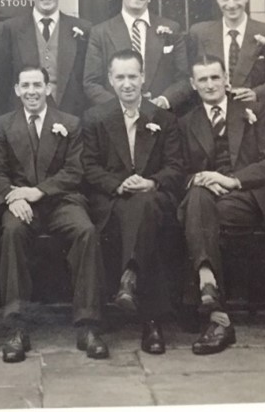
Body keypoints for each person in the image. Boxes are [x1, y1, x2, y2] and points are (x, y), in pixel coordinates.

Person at [0, 65, 107, 363]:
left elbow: (74, 171)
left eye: (37, 85)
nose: (31, 91)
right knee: (12, 232)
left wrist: (39, 191)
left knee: (86, 231)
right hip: (20, 203)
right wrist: (10, 197)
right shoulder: (3, 125)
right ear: (16, 89)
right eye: (25, 85)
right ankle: (16, 326)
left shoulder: (69, 123)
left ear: (47, 88)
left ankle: (88, 325)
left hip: (60, 201)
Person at [80, 50, 184, 355]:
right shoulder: (96, 118)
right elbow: (89, 166)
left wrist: (152, 182)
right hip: (112, 201)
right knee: (143, 213)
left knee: (146, 206)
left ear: (143, 77)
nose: (127, 84)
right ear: (111, 80)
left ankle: (129, 280)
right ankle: (151, 321)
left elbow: (176, 166)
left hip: (152, 199)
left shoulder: (163, 118)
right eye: (120, 77)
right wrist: (118, 183)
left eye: (132, 76)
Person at [178, 55, 265, 355]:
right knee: (199, 200)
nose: (210, 85)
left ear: (226, 79)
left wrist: (232, 181)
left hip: (245, 197)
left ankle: (202, 285)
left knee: (198, 217)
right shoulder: (187, 122)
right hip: (206, 199)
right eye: (203, 80)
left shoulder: (252, 111)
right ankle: (216, 311)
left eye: (215, 78)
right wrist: (200, 177)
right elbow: (179, 169)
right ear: (193, 85)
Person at [83, 0, 190, 111]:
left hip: (161, 116)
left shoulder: (172, 29)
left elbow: (184, 79)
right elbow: (91, 83)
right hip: (116, 118)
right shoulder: (100, 32)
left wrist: (164, 100)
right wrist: (121, 106)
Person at [1, 0, 92, 116]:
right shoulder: (11, 29)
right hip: (26, 122)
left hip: (72, 120)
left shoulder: (83, 29)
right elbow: (3, 81)